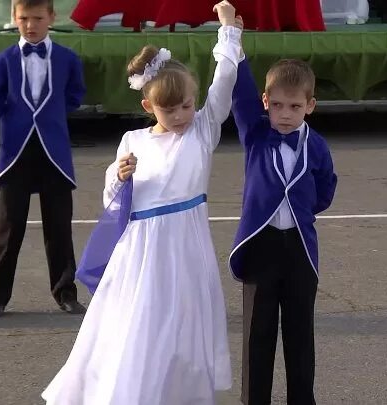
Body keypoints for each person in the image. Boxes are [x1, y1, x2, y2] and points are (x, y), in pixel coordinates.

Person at [42, 2, 241, 403]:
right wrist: (118, 176)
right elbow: (113, 201)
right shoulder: (132, 141)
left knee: (182, 325)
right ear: (148, 106)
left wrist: (228, 32)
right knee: (135, 323)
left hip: (184, 245)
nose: (182, 114)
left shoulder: (201, 131)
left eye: (187, 105)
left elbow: (226, 80)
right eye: (170, 109)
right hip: (139, 250)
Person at [229, 54, 338, 403]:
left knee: (299, 333)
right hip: (261, 246)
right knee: (258, 334)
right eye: (277, 105)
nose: (285, 114)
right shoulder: (256, 134)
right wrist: (232, 38)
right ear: (265, 103)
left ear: (310, 105)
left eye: (294, 106)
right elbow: (240, 93)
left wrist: (300, 211)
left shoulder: (317, 145)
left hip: (300, 249)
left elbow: (325, 189)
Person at [0, 0, 87, 318]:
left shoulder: (67, 59)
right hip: (15, 154)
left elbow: (76, 94)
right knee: (8, 229)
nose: (30, 25)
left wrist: (51, 118)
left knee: (59, 227)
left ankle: (66, 292)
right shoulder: (3, 61)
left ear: (52, 17)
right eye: (24, 18)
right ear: (14, 17)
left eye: (38, 18)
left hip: (54, 153)